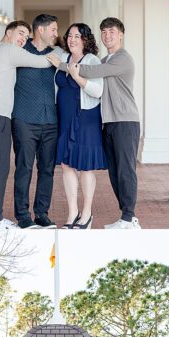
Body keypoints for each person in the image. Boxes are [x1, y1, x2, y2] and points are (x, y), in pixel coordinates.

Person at [49, 17, 141, 229]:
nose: (108, 36)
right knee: (115, 171)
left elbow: (91, 74)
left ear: (121, 34)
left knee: (125, 170)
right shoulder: (107, 59)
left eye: (112, 32)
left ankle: (129, 218)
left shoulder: (120, 59)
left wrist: (65, 66)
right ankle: (124, 217)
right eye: (104, 32)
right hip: (108, 121)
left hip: (125, 120)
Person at [0, 20, 58, 230]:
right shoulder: (10, 50)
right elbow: (41, 62)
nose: (22, 39)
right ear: (8, 32)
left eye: (25, 35)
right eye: (20, 33)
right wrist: (60, 59)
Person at [53, 23, 106, 229]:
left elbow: (98, 91)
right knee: (66, 164)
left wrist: (77, 77)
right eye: (70, 36)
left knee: (85, 166)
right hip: (64, 118)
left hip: (86, 118)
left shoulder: (92, 60)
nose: (72, 39)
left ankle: (87, 213)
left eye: (77, 36)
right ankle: (72, 213)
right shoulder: (62, 58)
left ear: (85, 39)